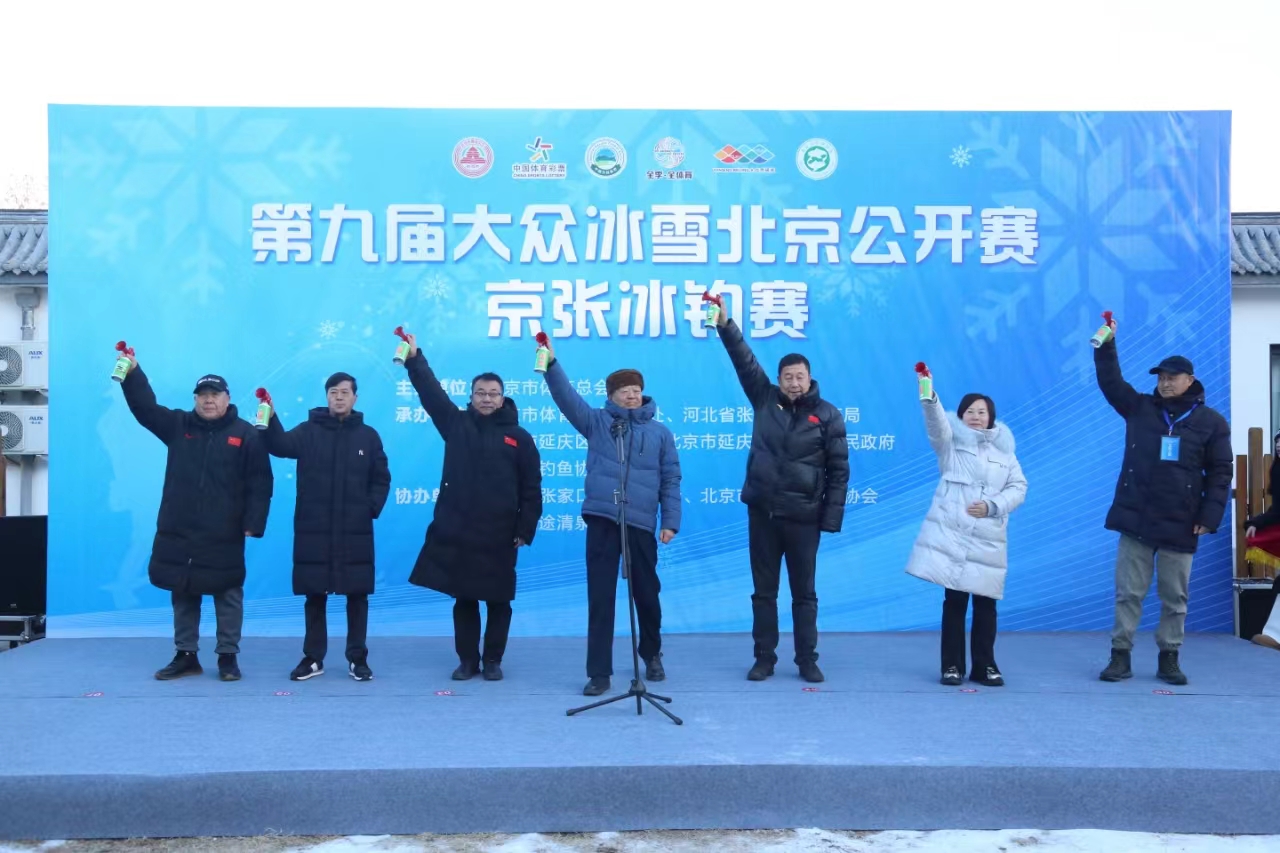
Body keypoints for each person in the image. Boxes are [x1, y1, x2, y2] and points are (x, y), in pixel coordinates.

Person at [712, 305, 849, 683]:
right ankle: (764, 659)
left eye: (799, 376)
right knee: (763, 593)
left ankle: (807, 660)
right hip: (764, 515)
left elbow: (839, 472)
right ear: (778, 380)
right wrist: (726, 324)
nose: (794, 383)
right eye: (787, 377)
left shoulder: (828, 415)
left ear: (810, 378)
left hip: (804, 519)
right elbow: (744, 361)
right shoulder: (763, 399)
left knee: (804, 595)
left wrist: (830, 519)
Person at [1094, 318, 1232, 685]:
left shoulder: (1211, 422)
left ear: (1190, 380)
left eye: (1173, 377)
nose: (1165, 382)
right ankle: (1120, 656)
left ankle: (1169, 657)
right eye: (1161, 377)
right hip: (1136, 516)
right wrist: (1106, 345)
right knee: (1128, 593)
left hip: (1181, 520)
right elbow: (1111, 383)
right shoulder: (1140, 407)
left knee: (1175, 597)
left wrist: (1210, 515)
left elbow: (1221, 472)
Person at [541, 338, 682, 697]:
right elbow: (566, 398)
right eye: (624, 391)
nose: (632, 396)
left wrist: (670, 521)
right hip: (603, 520)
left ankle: (651, 654)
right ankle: (599, 672)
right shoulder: (596, 423)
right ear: (612, 396)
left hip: (641, 523)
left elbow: (671, 478)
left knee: (647, 594)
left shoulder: (660, 433)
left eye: (636, 390)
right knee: (600, 598)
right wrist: (552, 365)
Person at [118, 361, 273, 682]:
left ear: (227, 398)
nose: (208, 400)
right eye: (202, 395)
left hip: (224, 531)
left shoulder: (246, 434)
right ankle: (186, 655)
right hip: (180, 529)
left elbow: (261, 482)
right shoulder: (178, 425)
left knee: (227, 594)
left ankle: (228, 657)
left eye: (215, 394)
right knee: (183, 590)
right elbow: (145, 409)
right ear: (195, 399)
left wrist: (254, 522)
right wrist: (132, 374)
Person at [402, 335, 543, 681]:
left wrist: (525, 530)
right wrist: (415, 359)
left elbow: (531, 489)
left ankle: (493, 660)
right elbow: (430, 393)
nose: (487, 398)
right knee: (464, 599)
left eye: (493, 393)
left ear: (503, 398)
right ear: (471, 396)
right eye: (481, 393)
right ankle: (467, 661)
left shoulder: (520, 438)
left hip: (501, 534)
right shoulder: (456, 424)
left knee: (498, 601)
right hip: (460, 531)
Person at [263, 373, 391, 682]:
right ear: (327, 396)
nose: (339, 397)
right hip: (315, 528)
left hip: (354, 531)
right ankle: (313, 658)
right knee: (314, 595)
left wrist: (369, 509)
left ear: (355, 398)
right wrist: (271, 416)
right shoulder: (308, 431)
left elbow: (381, 478)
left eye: (345, 392)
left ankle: (357, 658)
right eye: (334, 392)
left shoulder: (368, 436)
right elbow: (279, 445)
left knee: (357, 596)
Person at [904, 377, 1028, 687]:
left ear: (991, 416)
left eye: (981, 412)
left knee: (986, 606)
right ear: (960, 416)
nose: (975, 416)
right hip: (955, 537)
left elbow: (1019, 487)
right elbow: (936, 425)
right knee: (955, 602)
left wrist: (992, 506)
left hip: (989, 539)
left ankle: (985, 665)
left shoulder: (1006, 453)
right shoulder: (950, 445)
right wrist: (929, 395)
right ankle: (952, 666)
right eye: (969, 411)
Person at [1242, 430, 1280, 650]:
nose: (1279, 446)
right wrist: (1256, 523)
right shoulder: (1278, 470)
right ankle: (1275, 635)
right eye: (1277, 442)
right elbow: (1278, 510)